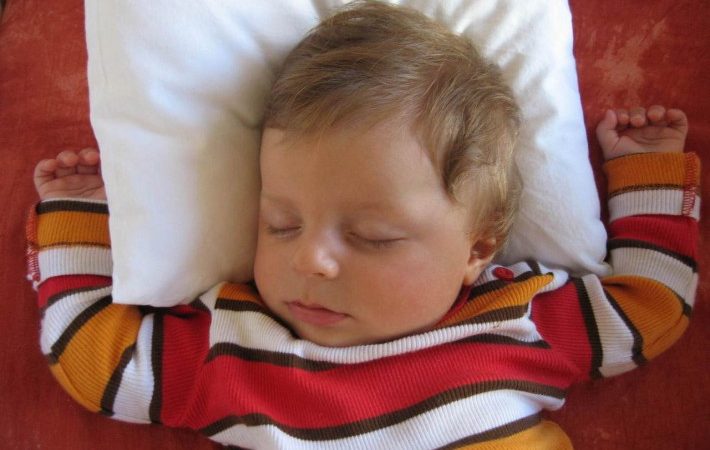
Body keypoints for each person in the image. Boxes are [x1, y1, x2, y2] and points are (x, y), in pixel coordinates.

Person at [28, 2, 699, 449]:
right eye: (280, 224)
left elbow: (649, 305)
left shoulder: (521, 319)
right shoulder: (230, 349)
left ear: (477, 248)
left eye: (372, 237)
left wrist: (647, 171)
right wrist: (78, 218)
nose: (311, 261)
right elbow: (92, 358)